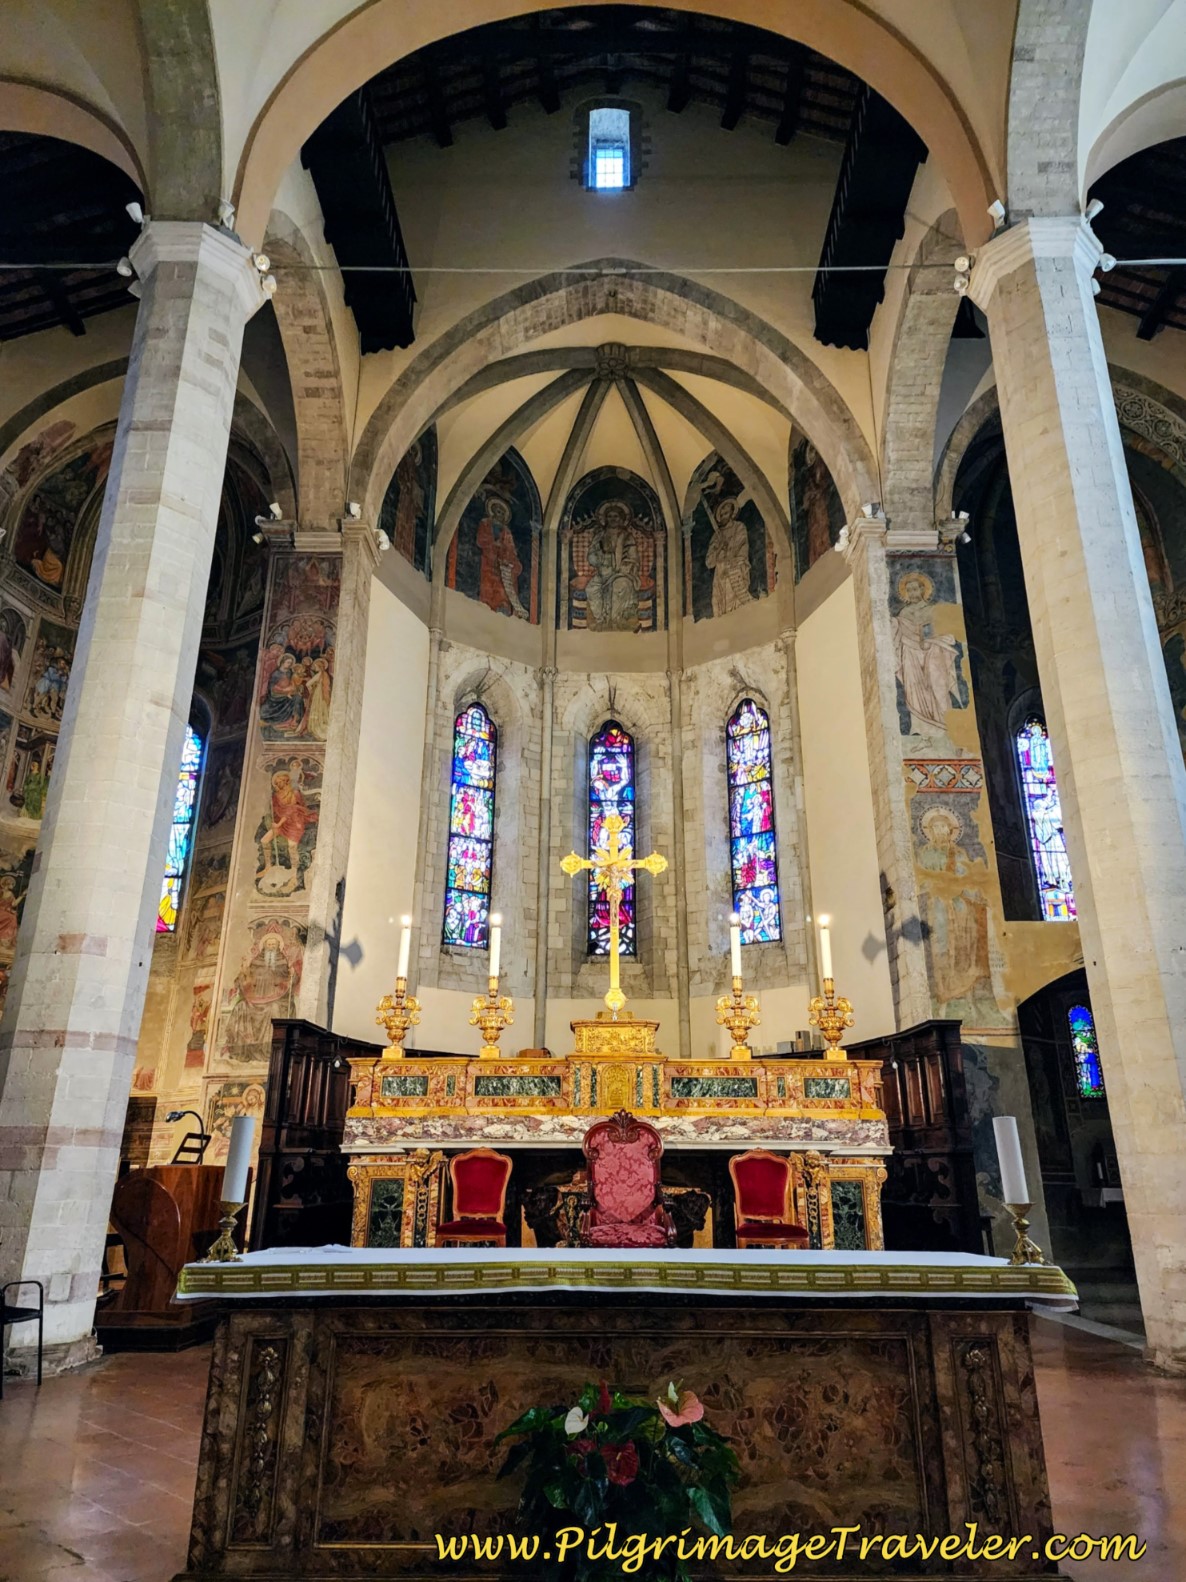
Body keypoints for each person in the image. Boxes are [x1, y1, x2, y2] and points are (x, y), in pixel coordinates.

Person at [892, 572, 961, 736]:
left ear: (923, 590)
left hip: (933, 652)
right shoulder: (904, 614)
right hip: (911, 654)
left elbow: (944, 631)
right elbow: (898, 634)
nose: (912, 593)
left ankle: (946, 728)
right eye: (909, 590)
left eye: (915, 589)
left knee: (939, 688)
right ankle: (922, 733)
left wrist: (929, 639)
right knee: (914, 691)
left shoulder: (933, 610)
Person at [582, 501, 642, 631]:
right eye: (610, 516)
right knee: (591, 589)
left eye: (616, 516)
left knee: (620, 586)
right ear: (605, 519)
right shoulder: (600, 536)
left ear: (621, 519)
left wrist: (622, 568)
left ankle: (617, 620)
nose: (613, 519)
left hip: (622, 573)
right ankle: (601, 620)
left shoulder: (627, 537)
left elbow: (633, 558)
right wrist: (600, 558)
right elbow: (591, 555)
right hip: (603, 573)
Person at [475, 496, 528, 619]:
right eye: (498, 511)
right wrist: (494, 544)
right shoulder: (485, 523)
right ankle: (486, 609)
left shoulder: (506, 532)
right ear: (492, 511)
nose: (499, 514)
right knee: (488, 587)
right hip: (488, 562)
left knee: (504, 588)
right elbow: (481, 541)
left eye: (502, 512)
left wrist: (510, 561)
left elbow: (511, 550)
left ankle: (503, 609)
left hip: (502, 564)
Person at [705, 497, 752, 616]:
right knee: (719, 605)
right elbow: (709, 562)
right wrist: (719, 548)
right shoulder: (716, 536)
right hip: (720, 574)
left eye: (726, 512)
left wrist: (731, 555)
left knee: (735, 606)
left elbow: (742, 550)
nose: (724, 515)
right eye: (722, 513)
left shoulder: (739, 528)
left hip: (735, 571)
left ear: (732, 512)